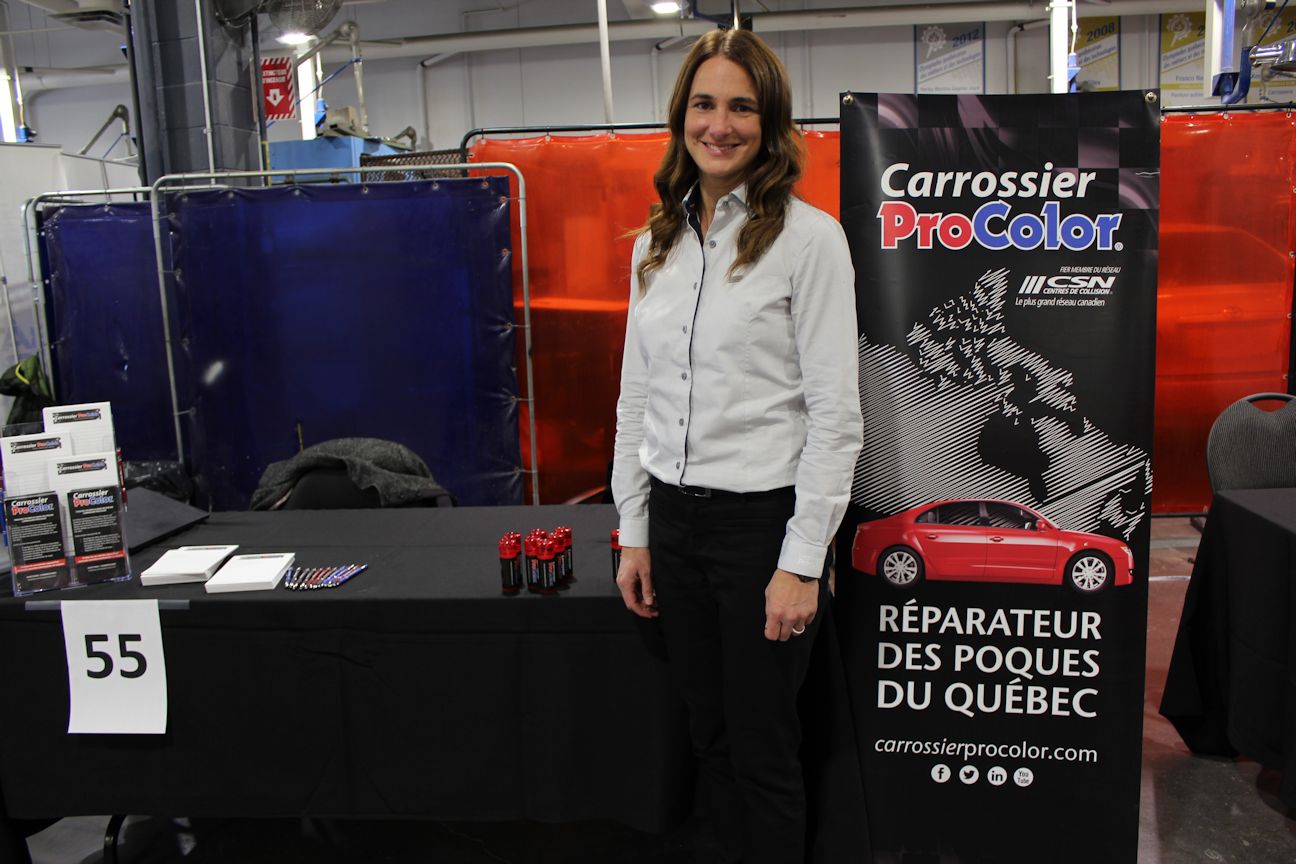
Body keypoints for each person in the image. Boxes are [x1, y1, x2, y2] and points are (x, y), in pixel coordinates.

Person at [611, 27, 863, 864]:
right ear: (680, 115)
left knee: (762, 747)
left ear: (771, 123)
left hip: (761, 529)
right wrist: (636, 532)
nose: (719, 125)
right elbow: (637, 398)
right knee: (708, 735)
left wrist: (802, 562)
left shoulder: (809, 240)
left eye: (742, 108)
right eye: (704, 104)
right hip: (674, 526)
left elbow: (836, 416)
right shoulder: (656, 243)